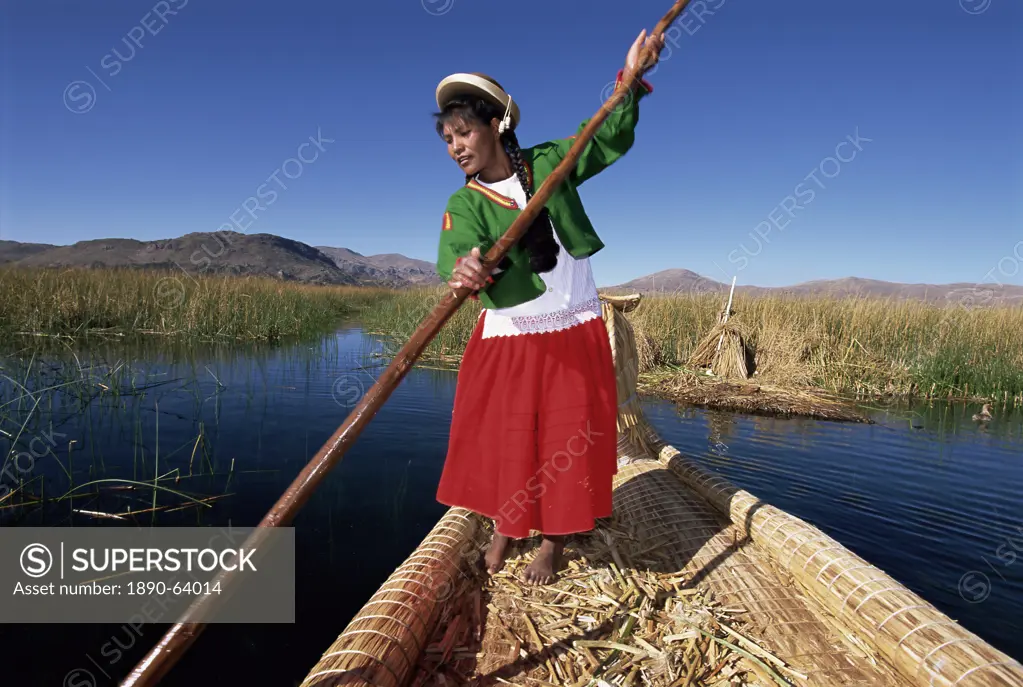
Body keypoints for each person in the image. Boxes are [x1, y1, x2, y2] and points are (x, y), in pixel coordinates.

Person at [432, 29, 664, 585]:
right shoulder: (463, 202)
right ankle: (508, 526)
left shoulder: (550, 162)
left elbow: (603, 136)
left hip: (570, 323)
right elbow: (459, 251)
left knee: (564, 435)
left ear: (497, 125)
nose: (456, 145)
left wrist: (628, 80)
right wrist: (467, 267)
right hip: (509, 333)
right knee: (508, 434)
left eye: (464, 131)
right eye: (446, 138)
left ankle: (555, 542)